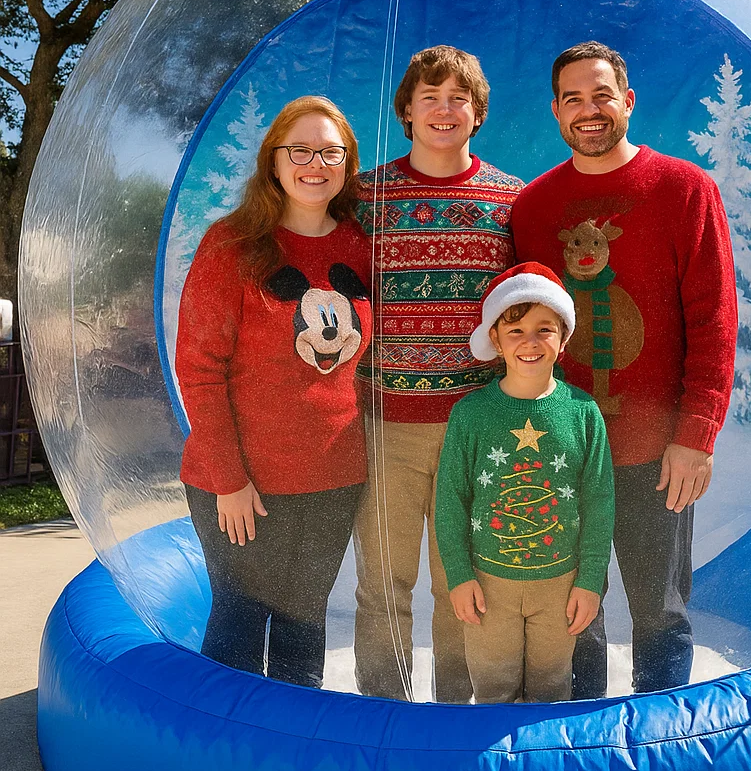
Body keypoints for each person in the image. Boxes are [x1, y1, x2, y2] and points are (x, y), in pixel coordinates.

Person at [511, 42, 738, 697]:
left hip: (656, 454)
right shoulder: (533, 209)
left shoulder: (685, 191)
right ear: (556, 110)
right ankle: (587, 749)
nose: (589, 110)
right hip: (563, 451)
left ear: (627, 101)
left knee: (659, 610)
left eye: (602, 94)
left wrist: (696, 435)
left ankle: (659, 758)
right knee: (572, 613)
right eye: (573, 98)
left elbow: (715, 321)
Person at [176, 95, 371, 689]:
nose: (316, 164)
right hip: (242, 484)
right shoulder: (232, 244)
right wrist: (229, 480)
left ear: (346, 163)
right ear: (273, 160)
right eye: (301, 150)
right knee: (239, 623)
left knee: (303, 626)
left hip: (335, 478)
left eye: (331, 152)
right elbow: (200, 372)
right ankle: (217, 768)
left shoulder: (360, 246)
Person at [353, 45, 523, 702]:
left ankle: (453, 723)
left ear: (477, 113)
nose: (443, 109)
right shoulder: (364, 198)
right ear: (406, 111)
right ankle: (386, 720)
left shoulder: (510, 201)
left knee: (466, 587)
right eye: (430, 97)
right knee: (384, 584)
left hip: (475, 434)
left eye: (458, 98)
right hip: (385, 429)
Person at [434, 262, 614, 703]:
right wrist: (459, 576)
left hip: (561, 587)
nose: (530, 342)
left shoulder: (583, 412)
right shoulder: (471, 414)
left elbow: (599, 501)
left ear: (563, 337)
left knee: (552, 690)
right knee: (493, 692)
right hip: (487, 588)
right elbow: (450, 501)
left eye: (544, 329)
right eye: (515, 330)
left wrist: (590, 581)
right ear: (494, 338)